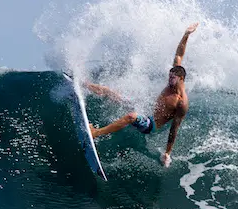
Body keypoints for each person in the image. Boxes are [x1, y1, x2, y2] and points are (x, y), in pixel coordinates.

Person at [85, 22, 198, 167]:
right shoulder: (175, 73)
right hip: (147, 110)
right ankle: (84, 84)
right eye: (169, 76)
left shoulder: (181, 102)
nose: (169, 80)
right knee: (112, 93)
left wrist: (167, 152)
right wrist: (186, 34)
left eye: (172, 78)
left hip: (151, 125)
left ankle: (96, 133)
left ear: (181, 79)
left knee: (131, 116)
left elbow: (174, 129)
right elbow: (179, 53)